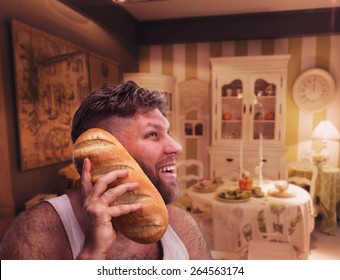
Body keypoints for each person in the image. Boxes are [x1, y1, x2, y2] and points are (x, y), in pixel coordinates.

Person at [0, 81, 211, 260]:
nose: (176, 147)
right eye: (153, 135)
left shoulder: (181, 225)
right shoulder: (35, 232)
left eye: (168, 132)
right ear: (102, 151)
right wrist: (91, 255)